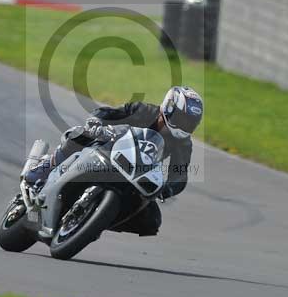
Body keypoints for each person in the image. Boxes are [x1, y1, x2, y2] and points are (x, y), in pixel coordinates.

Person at [22, 86, 203, 237]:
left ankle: (95, 220)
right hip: (109, 148)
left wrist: (168, 188)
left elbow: (180, 174)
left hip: (136, 173)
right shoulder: (144, 111)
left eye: (190, 123)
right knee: (80, 135)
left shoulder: (183, 143)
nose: (185, 126)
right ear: (169, 108)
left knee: (152, 221)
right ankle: (45, 168)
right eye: (182, 119)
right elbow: (109, 112)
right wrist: (96, 121)